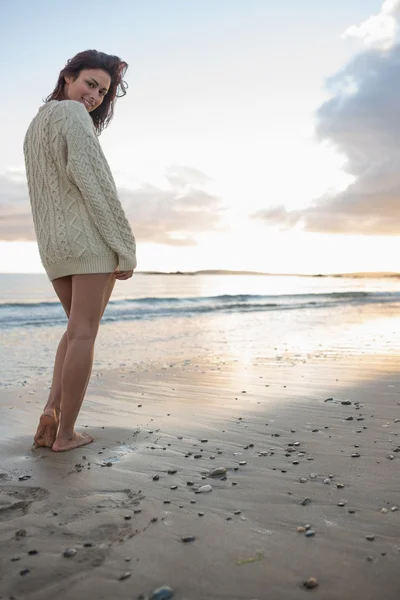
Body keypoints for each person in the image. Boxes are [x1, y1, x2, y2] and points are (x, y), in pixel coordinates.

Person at [23, 50, 137, 452]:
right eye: (91, 83)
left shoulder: (35, 126)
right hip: (89, 242)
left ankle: (52, 414)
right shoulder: (73, 117)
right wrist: (125, 247)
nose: (95, 96)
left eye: (103, 92)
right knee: (85, 334)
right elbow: (96, 184)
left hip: (54, 248)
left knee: (75, 331)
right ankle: (67, 434)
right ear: (68, 77)